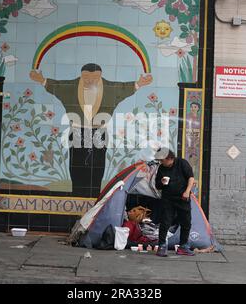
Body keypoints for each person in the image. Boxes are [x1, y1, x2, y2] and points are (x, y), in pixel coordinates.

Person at [30, 64, 153, 196]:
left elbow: (124, 88)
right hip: (77, 131)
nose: (90, 80)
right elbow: (57, 86)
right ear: (81, 75)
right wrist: (42, 80)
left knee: (97, 165)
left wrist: (139, 83)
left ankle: (94, 195)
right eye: (86, 77)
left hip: (99, 131)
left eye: (94, 77)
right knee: (76, 165)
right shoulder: (71, 87)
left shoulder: (110, 88)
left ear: (100, 76)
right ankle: (77, 195)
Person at [154, 148, 196, 257]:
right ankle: (162, 246)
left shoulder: (182, 163)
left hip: (183, 198)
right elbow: (157, 185)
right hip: (168, 199)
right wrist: (162, 182)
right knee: (165, 221)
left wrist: (187, 192)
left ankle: (183, 246)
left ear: (169, 158)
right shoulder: (161, 168)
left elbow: (191, 178)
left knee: (186, 222)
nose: (161, 162)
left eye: (162, 160)